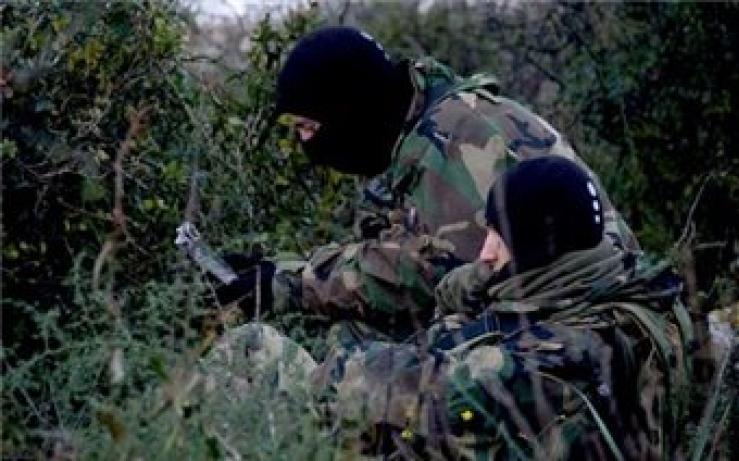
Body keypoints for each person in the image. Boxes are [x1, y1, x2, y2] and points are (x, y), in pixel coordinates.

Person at [205, 157, 691, 460]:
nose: (485, 251)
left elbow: (384, 387)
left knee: (254, 349)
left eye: (498, 238)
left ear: (538, 251)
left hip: (471, 412)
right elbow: (462, 300)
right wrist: (489, 278)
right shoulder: (622, 286)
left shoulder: (545, 361)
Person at [215, 26, 638, 345]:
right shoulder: (436, 121)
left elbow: (433, 273)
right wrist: (282, 270)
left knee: (349, 348)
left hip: (579, 337)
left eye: (309, 127)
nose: (304, 142)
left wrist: (286, 283)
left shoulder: (457, 141)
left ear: (349, 112)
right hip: (573, 318)